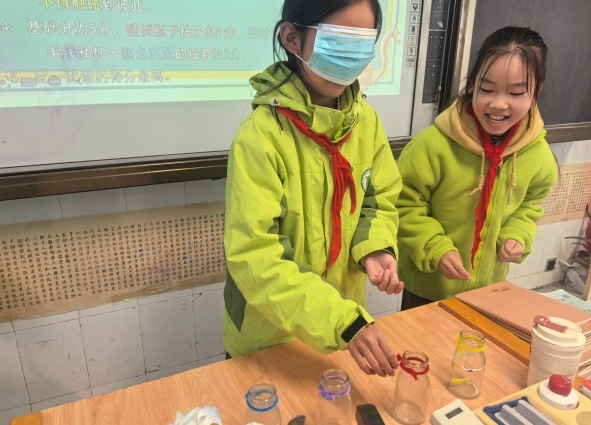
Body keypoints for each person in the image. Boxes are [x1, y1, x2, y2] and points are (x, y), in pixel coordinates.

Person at [223, 0, 403, 377]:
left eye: (362, 43)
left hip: (342, 333)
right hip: (270, 339)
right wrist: (342, 321)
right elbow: (255, 255)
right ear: (292, 37)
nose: (351, 57)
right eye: (340, 40)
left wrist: (374, 247)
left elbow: (380, 200)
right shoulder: (260, 136)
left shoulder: (366, 123)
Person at [396, 26, 558, 310]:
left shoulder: (538, 154)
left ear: (537, 91)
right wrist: (434, 247)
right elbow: (401, 203)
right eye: (486, 89)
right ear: (473, 83)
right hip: (427, 290)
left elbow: (529, 206)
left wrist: (517, 234)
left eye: (516, 92)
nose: (498, 103)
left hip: (489, 291)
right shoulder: (432, 145)